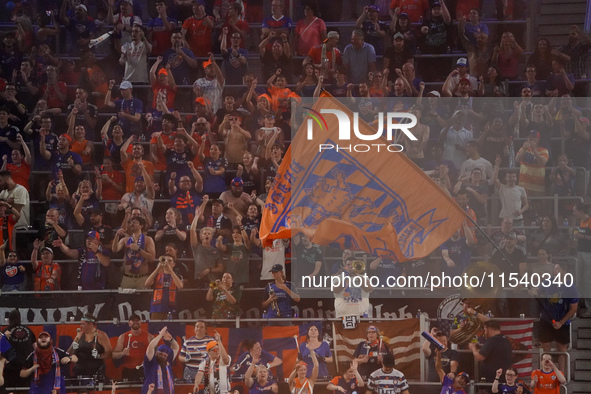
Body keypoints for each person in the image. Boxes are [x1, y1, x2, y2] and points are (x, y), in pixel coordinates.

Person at [112, 216, 156, 289]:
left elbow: (152, 258)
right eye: (130, 222)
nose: (132, 224)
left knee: (142, 299)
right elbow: (115, 250)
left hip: (142, 278)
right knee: (124, 300)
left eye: (135, 222)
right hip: (127, 277)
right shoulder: (125, 240)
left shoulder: (148, 240)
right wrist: (117, 235)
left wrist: (138, 249)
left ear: (141, 226)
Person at [68, 313, 112, 381]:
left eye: (83, 324)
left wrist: (99, 356)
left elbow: (109, 353)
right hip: (79, 370)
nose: (80, 326)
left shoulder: (101, 335)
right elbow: (69, 352)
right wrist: (73, 347)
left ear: (90, 324)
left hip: (96, 371)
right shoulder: (80, 335)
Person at [111, 314, 154, 381]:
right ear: (129, 323)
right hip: (129, 370)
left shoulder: (149, 337)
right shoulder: (123, 337)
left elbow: (156, 354)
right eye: (133, 320)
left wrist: (148, 361)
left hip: (144, 369)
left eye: (137, 320)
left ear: (141, 322)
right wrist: (122, 353)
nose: (135, 322)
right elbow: (114, 355)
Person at [1, 309, 35, 388]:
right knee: (25, 389)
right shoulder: (29, 330)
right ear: (20, 319)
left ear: (9, 320)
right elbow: (36, 348)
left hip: (11, 367)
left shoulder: (5, 331)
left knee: (10, 390)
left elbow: (1, 349)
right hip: (26, 366)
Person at [142, 326, 180, 394]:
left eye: (165, 355)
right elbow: (151, 347)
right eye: (160, 354)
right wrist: (160, 335)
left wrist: (171, 339)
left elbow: (176, 348)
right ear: (156, 352)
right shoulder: (151, 361)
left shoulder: (167, 361)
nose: (162, 357)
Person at [145, 255, 184, 319]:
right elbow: (147, 284)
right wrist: (158, 268)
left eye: (170, 261)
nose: (167, 263)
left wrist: (170, 270)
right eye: (165, 260)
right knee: (156, 328)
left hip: (171, 309)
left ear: (174, 264)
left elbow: (180, 286)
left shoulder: (178, 276)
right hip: (156, 309)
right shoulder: (157, 276)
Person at [573, 202, 591, 317]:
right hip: (580, 253)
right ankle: (582, 306)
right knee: (579, 281)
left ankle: (589, 308)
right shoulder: (580, 222)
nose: (574, 213)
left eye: (575, 211)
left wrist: (583, 236)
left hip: (589, 254)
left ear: (581, 211)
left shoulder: (590, 221)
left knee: (587, 281)